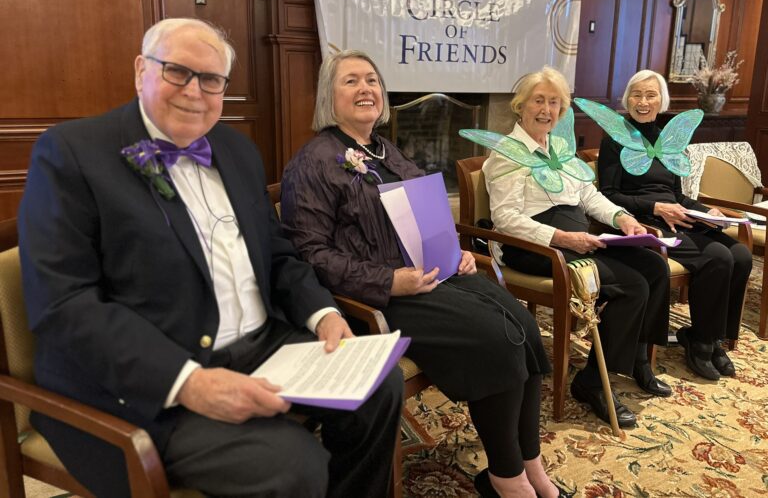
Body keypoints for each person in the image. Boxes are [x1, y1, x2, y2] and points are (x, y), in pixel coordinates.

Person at [18, 19, 403, 498]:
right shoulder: (72, 153)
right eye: (178, 71)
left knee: (379, 386)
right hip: (152, 378)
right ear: (142, 70)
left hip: (262, 345)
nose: (194, 91)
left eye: (211, 80)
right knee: (292, 465)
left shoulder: (236, 150)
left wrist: (322, 312)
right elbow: (64, 304)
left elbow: (279, 252)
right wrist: (189, 382)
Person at [280, 50, 564, 498]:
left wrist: (456, 250)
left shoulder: (384, 149)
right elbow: (308, 255)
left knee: (524, 326)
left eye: (372, 80)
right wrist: (389, 281)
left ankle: (531, 462)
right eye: (350, 81)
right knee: (496, 338)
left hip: (429, 275)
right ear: (327, 98)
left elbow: (425, 211)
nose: (365, 89)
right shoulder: (313, 162)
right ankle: (506, 479)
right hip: (377, 296)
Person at [482, 67, 672, 430]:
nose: (546, 109)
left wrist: (621, 219)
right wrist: (563, 238)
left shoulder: (562, 149)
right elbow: (505, 219)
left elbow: (588, 195)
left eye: (554, 102)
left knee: (653, 265)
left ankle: (636, 359)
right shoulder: (506, 153)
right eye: (539, 101)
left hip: (580, 241)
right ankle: (593, 383)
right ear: (521, 106)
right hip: (535, 247)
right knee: (631, 285)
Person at [596, 70, 751, 380]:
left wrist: (707, 210)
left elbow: (678, 195)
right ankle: (702, 343)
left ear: (661, 100)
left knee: (741, 255)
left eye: (650, 95)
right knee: (718, 257)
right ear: (628, 99)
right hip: (641, 221)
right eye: (636, 95)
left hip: (675, 215)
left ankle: (714, 336)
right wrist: (655, 206)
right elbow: (609, 195)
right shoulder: (615, 138)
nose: (643, 102)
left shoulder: (667, 138)